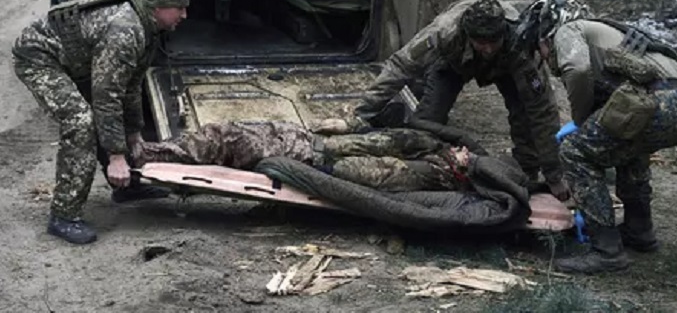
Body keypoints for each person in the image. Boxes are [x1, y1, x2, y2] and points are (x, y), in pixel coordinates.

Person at [514, 0, 677, 273]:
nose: (544, 56)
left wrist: (581, 119)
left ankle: (606, 251)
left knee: (575, 152)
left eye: (540, 48)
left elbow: (578, 69)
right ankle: (639, 231)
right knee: (626, 143)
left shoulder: (570, 30)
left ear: (546, 36)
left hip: (661, 102)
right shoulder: (607, 31)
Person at [12, 0, 190, 244]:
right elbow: (106, 96)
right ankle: (64, 215)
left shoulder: (149, 27)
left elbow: (130, 86)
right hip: (40, 57)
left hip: (76, 62)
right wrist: (117, 155)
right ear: (160, 7)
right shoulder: (125, 30)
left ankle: (126, 187)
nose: (185, 15)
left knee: (107, 115)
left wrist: (134, 134)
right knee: (81, 121)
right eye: (180, 7)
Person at [339, 0, 567, 199]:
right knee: (427, 121)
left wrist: (554, 175)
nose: (487, 49)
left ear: (503, 34)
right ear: (469, 36)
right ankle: (425, 171)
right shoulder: (444, 32)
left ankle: (523, 175)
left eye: (493, 42)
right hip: (453, 63)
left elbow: (542, 111)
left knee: (525, 116)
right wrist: (361, 115)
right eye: (481, 42)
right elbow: (400, 67)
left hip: (506, 66)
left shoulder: (521, 44)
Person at [133, 121, 474, 193]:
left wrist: (323, 165)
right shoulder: (426, 147)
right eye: (463, 149)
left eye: (466, 156)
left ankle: (142, 157)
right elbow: (378, 137)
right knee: (222, 135)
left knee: (223, 141)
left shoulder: (427, 173)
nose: (464, 151)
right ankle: (147, 155)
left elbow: (366, 174)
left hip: (305, 154)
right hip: (305, 140)